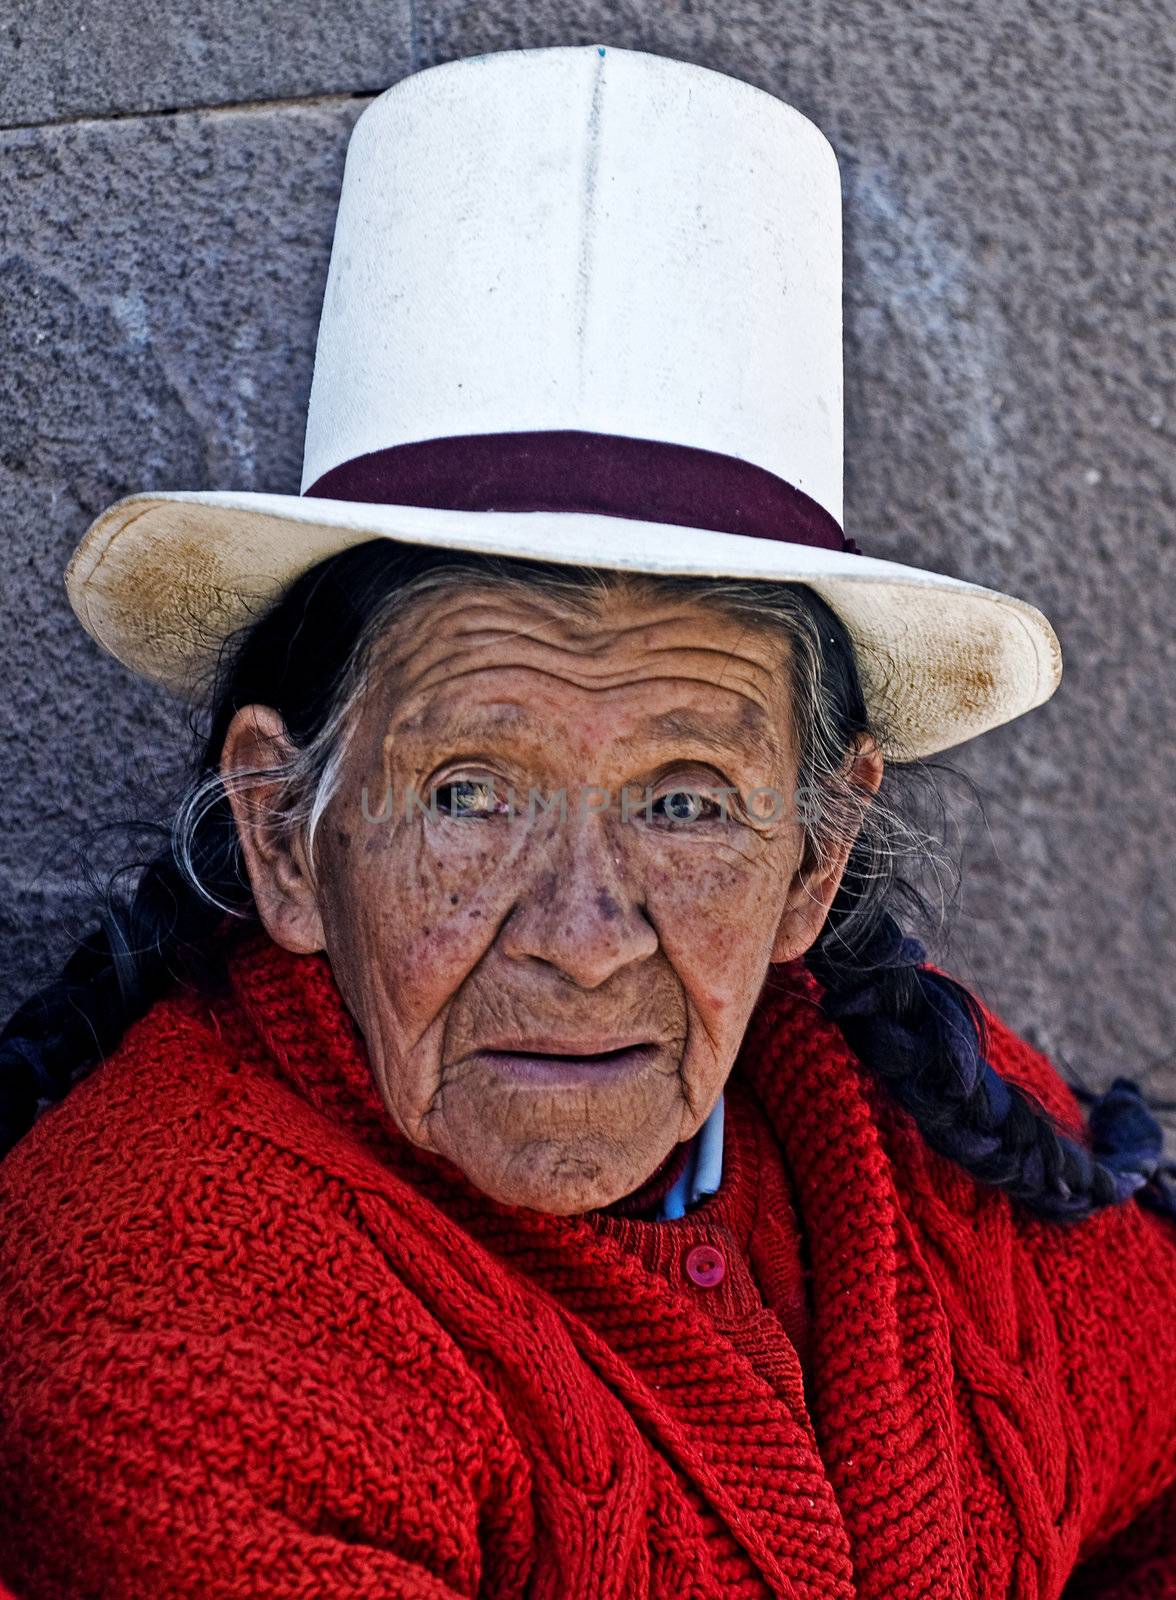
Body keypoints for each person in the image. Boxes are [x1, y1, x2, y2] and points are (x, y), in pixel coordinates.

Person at [0, 43, 1173, 1600]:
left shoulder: (918, 1122)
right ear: (289, 835)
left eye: (685, 803)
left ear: (815, 859)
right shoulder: (160, 1326)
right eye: (471, 794)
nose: (580, 937)